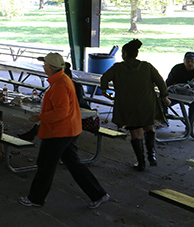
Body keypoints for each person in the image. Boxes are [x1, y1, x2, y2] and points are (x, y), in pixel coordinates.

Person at [19, 53, 110, 209]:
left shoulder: (60, 84)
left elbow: (60, 112)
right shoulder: (61, 80)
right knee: (73, 164)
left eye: (44, 64)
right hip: (68, 129)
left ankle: (36, 198)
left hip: (59, 131)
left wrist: (40, 117)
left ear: (50, 67)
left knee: (46, 165)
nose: (43, 67)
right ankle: (98, 194)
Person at [100, 39, 169, 171]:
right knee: (149, 127)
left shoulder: (118, 67)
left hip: (128, 105)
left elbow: (104, 78)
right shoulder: (147, 66)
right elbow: (160, 82)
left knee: (135, 133)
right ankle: (152, 156)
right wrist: (164, 96)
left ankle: (141, 162)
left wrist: (104, 90)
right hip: (147, 103)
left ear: (125, 54)